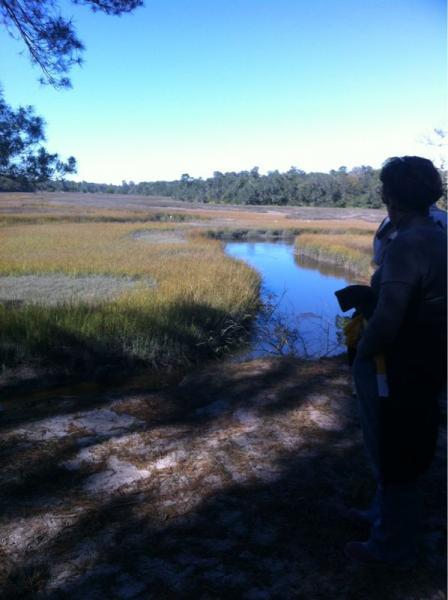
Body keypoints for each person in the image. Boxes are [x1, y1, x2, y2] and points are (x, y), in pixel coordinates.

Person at [345, 156, 447, 567]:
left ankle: (390, 546)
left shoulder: (407, 242)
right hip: (430, 356)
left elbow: (389, 318)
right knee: (408, 439)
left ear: (390, 197)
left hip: (400, 361)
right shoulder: (440, 234)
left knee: (392, 447)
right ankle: (383, 516)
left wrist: (362, 353)